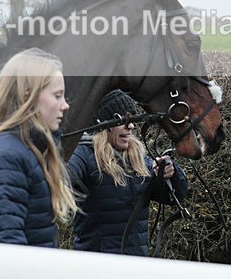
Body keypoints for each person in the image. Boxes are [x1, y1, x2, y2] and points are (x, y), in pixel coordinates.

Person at [0, 48, 77, 246]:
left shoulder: (26, 150)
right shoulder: (4, 157)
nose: (65, 105)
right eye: (57, 95)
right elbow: (7, 248)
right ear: (28, 95)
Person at [67, 89, 189, 256]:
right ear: (104, 124)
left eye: (132, 119)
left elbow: (173, 195)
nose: (131, 126)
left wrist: (170, 173)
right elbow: (62, 179)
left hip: (136, 266)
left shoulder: (136, 157)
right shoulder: (83, 154)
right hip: (96, 268)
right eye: (123, 120)